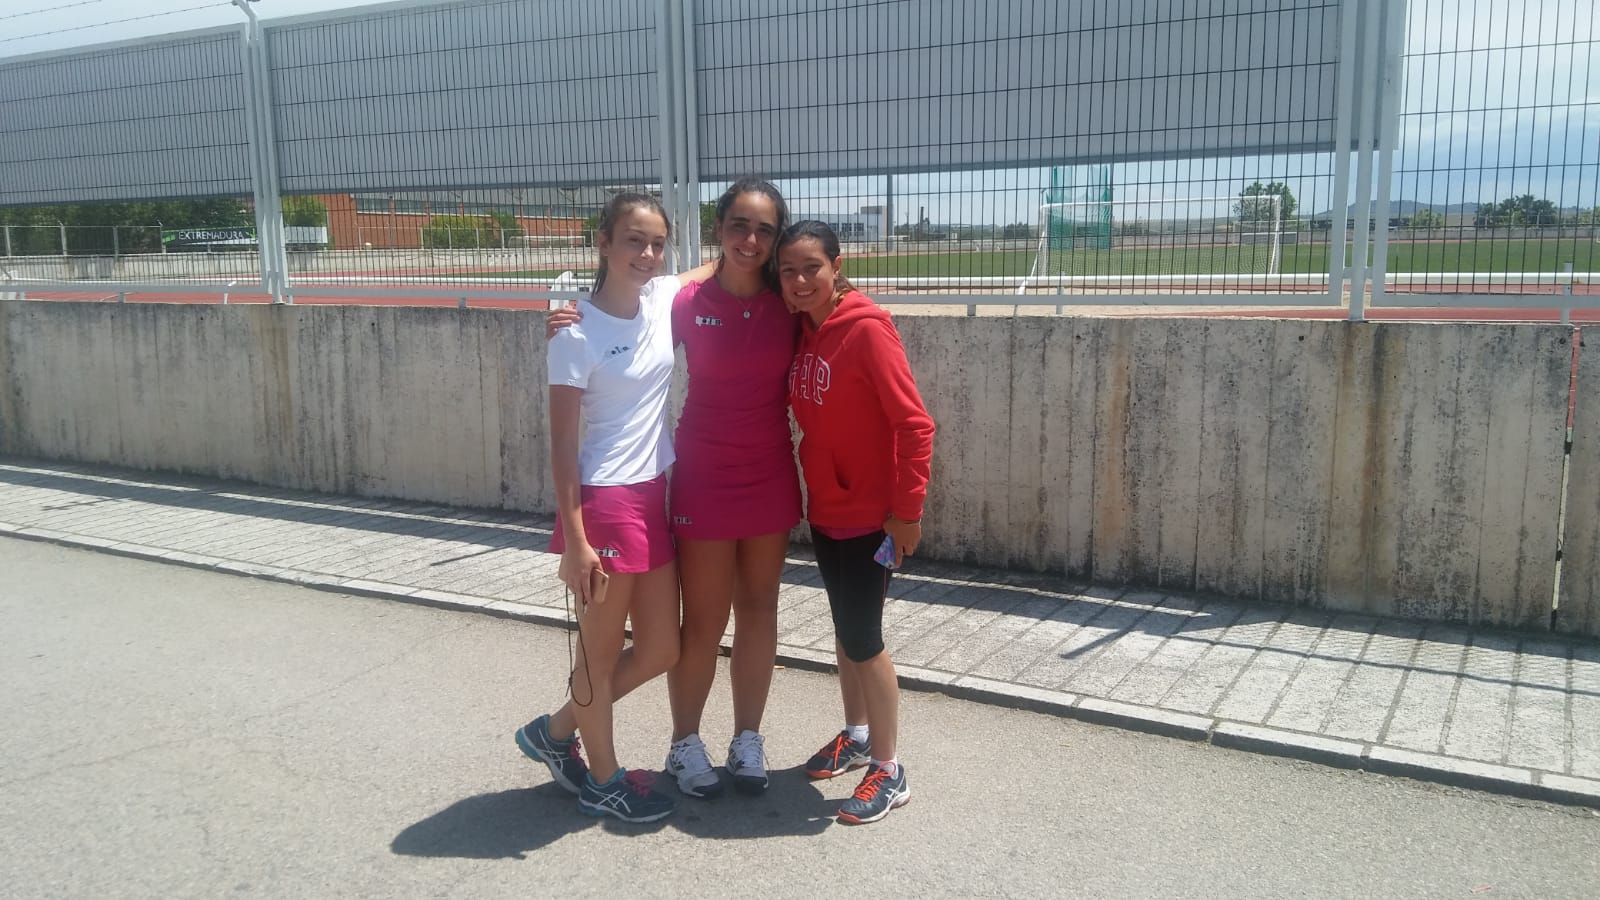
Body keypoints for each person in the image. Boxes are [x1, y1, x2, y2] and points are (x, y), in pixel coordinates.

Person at [547, 179, 800, 799]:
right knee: (701, 622)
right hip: (698, 476)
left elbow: (824, 296)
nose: (750, 240)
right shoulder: (681, 301)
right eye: (738, 225)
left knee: (758, 610)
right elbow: (627, 304)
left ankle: (747, 738)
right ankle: (684, 742)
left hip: (767, 473)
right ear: (718, 228)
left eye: (765, 230)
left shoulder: (785, 301)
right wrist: (568, 310)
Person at [514, 192, 683, 823]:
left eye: (657, 243)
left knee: (663, 648)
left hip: (654, 492)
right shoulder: (573, 331)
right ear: (603, 243)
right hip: (605, 503)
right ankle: (603, 781)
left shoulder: (661, 298)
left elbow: (727, 262)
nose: (647, 253)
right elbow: (563, 445)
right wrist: (576, 540)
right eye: (634, 239)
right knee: (599, 654)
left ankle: (556, 730)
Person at [777, 220, 934, 825]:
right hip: (827, 511)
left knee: (865, 640)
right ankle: (858, 735)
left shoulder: (867, 329)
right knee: (846, 633)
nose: (799, 280)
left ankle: (890, 771)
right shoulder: (802, 329)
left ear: (836, 267)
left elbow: (915, 425)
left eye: (811, 268)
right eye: (788, 271)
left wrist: (907, 514)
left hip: (873, 519)